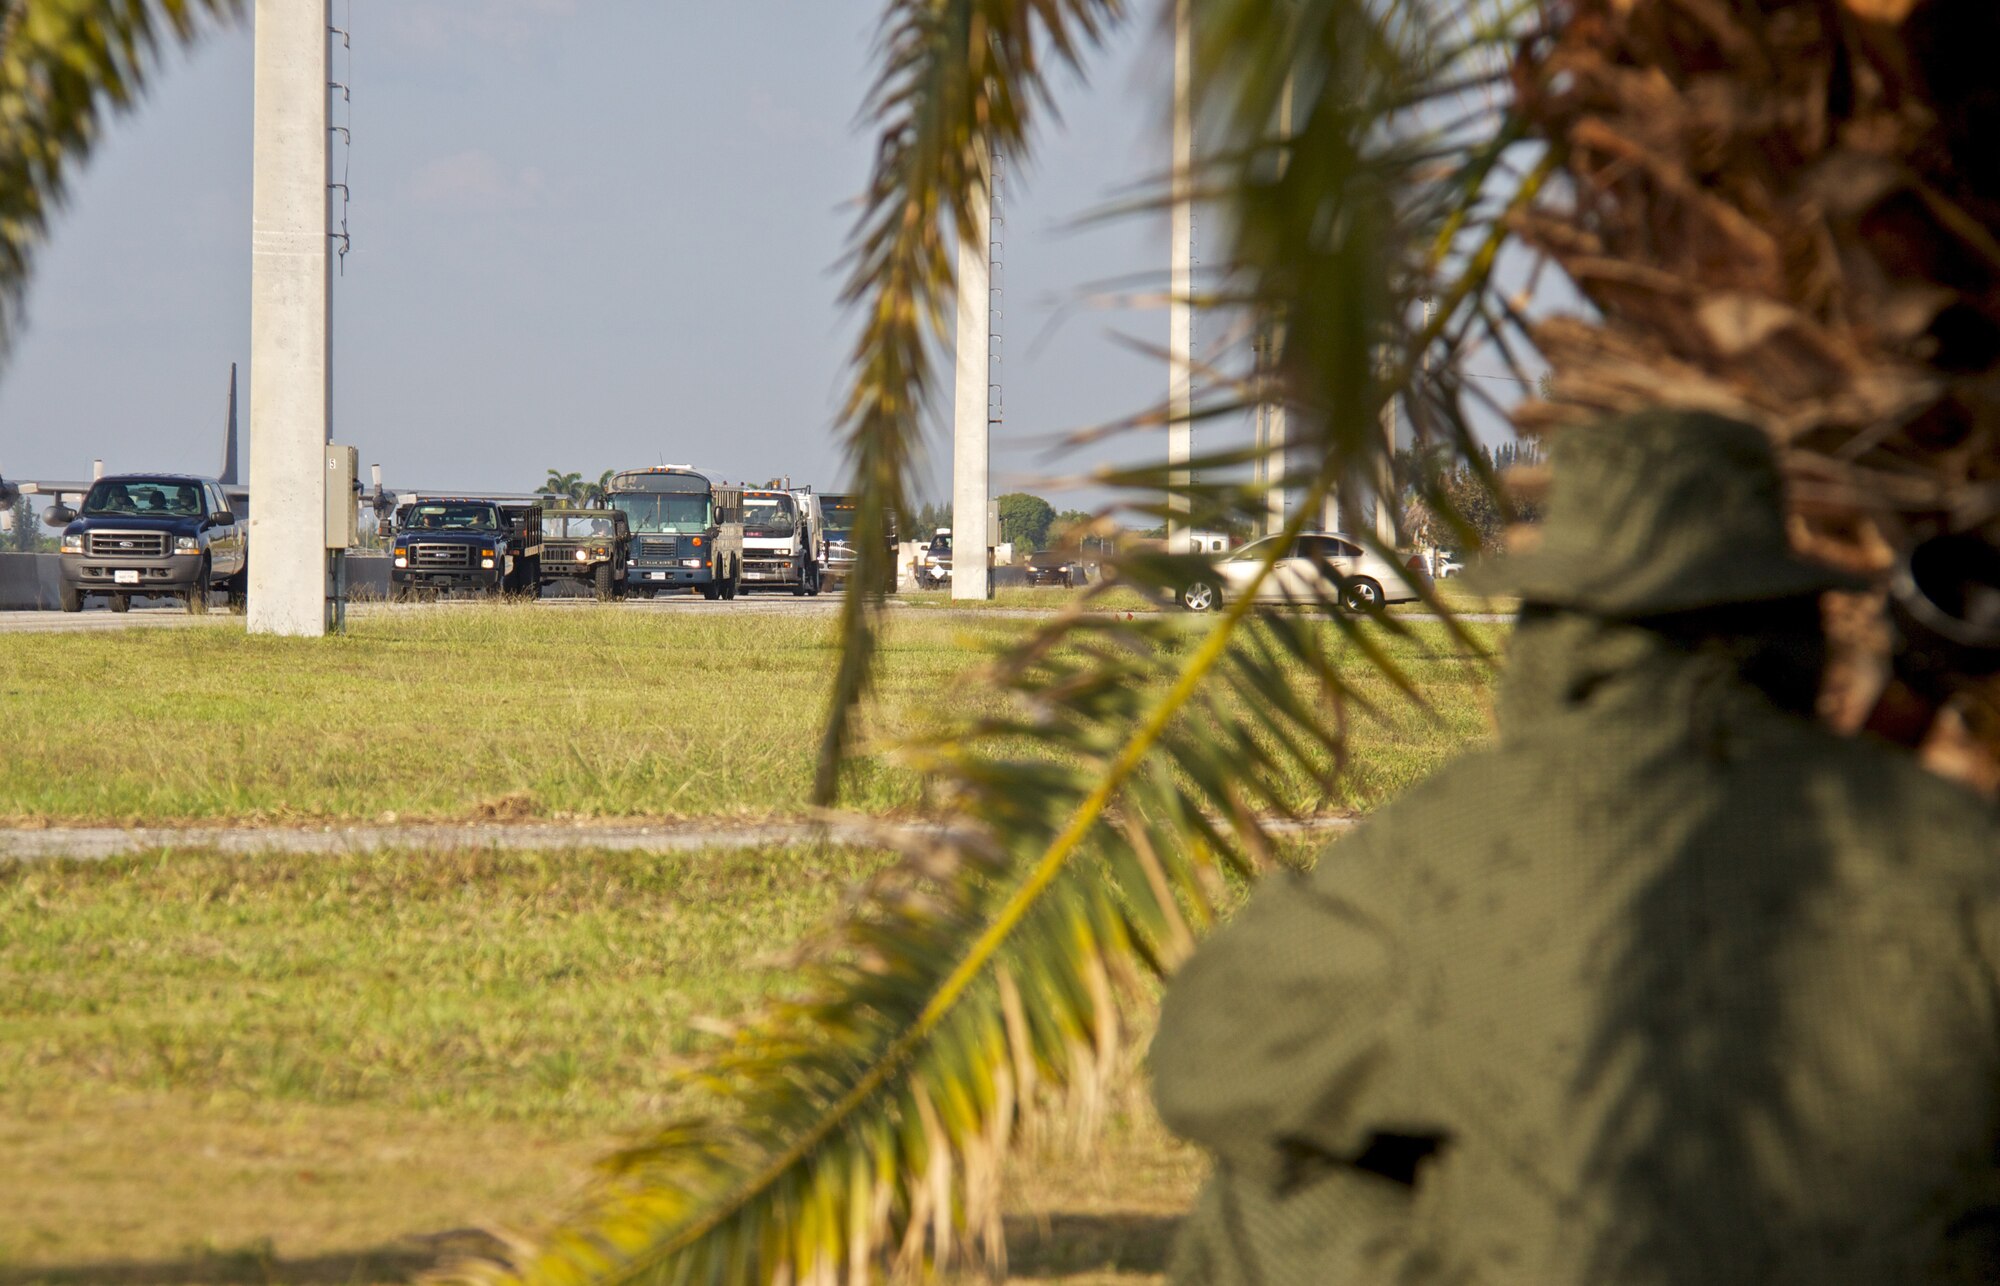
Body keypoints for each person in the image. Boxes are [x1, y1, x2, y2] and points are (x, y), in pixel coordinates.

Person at [1149, 410, 2000, 1285]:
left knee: (1257, 1199)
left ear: (1562, 629)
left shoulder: (1454, 840)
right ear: (1794, 622)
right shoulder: (1958, 844)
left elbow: (1207, 1065)